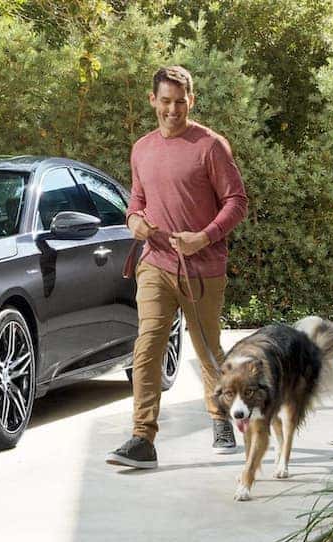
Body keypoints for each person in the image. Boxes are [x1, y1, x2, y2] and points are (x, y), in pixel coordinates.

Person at [106, 66, 249, 469]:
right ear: (152, 100)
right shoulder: (142, 149)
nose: (173, 110)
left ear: (192, 100)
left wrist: (204, 236)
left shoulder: (210, 146)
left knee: (207, 350)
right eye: (165, 101)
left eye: (180, 101)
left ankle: (220, 416)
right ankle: (142, 438)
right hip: (154, 262)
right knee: (147, 344)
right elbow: (136, 201)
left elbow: (237, 201)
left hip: (202, 268)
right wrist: (133, 221)